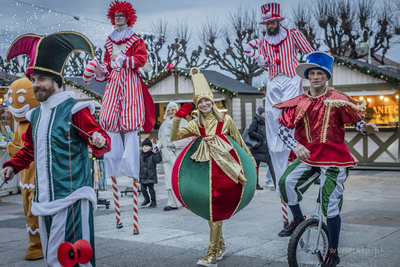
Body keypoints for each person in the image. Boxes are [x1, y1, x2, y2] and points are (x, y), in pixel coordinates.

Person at [3, 31, 111, 266]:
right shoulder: (35, 116)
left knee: (74, 257)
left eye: (41, 79)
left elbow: (100, 137)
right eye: (33, 80)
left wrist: (99, 140)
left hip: (72, 197)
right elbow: (30, 150)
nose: (35, 85)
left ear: (56, 82)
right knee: (53, 255)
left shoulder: (75, 109)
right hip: (44, 199)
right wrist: (12, 166)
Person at [274, 52, 378, 267]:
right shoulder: (298, 103)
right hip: (308, 155)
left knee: (330, 206)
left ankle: (333, 250)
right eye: (311, 73)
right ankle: (297, 219)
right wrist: (296, 145)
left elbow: (357, 122)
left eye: (319, 73)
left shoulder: (338, 100)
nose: (315, 77)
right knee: (285, 182)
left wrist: (365, 128)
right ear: (307, 77)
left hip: (334, 159)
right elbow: (283, 130)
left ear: (326, 76)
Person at [170, 68, 257, 267]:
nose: (204, 104)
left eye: (207, 100)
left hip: (226, 172)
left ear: (212, 101)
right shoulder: (194, 125)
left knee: (216, 209)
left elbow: (240, 142)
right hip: (203, 173)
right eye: (200, 102)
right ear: (197, 105)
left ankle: (211, 254)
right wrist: (177, 118)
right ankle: (220, 245)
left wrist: (251, 162)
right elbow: (174, 137)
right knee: (211, 211)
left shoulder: (225, 120)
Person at [84, 0, 155, 228]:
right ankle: (114, 170)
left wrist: (127, 60)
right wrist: (100, 69)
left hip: (131, 82)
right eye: (116, 15)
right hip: (115, 83)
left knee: (131, 124)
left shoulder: (136, 39)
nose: (118, 18)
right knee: (112, 124)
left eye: (122, 15)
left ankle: (133, 174)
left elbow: (142, 60)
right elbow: (106, 69)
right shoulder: (108, 41)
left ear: (129, 17)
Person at [245, 2, 314, 189]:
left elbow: (309, 53)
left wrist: (314, 74)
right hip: (274, 79)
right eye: (267, 23)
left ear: (278, 20)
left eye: (272, 22)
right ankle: (277, 151)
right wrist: (257, 56)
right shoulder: (263, 41)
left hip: (292, 77)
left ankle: (293, 145)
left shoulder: (293, 34)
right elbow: (264, 64)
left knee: (291, 113)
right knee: (274, 115)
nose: (269, 26)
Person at [6, 78, 42, 260]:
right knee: (27, 212)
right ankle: (34, 244)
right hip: (24, 178)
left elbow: (30, 149)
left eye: (20, 99)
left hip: (37, 177)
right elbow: (17, 149)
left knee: (34, 212)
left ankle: (41, 244)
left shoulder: (38, 121)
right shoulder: (20, 125)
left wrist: (15, 151)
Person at [154, 102, 191, 211]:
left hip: (178, 155)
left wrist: (175, 144)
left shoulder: (183, 122)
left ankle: (183, 200)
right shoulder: (164, 124)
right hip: (167, 155)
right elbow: (161, 139)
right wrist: (157, 147)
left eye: (173, 110)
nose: (170, 112)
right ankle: (172, 202)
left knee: (179, 179)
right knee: (168, 179)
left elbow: (188, 138)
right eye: (168, 110)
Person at [248, 106, 276, 190]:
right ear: (262, 113)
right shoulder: (256, 121)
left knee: (272, 166)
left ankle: (277, 184)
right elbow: (250, 131)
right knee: (255, 168)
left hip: (265, 149)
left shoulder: (266, 121)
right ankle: (255, 185)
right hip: (257, 149)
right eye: (265, 112)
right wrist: (259, 136)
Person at [139, 138, 162, 209]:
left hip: (151, 175)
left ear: (150, 147)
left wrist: (157, 153)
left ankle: (153, 202)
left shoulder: (152, 155)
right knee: (142, 189)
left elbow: (158, 160)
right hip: (143, 176)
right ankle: (147, 199)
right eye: (143, 146)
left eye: (146, 146)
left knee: (151, 190)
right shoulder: (140, 156)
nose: (145, 148)